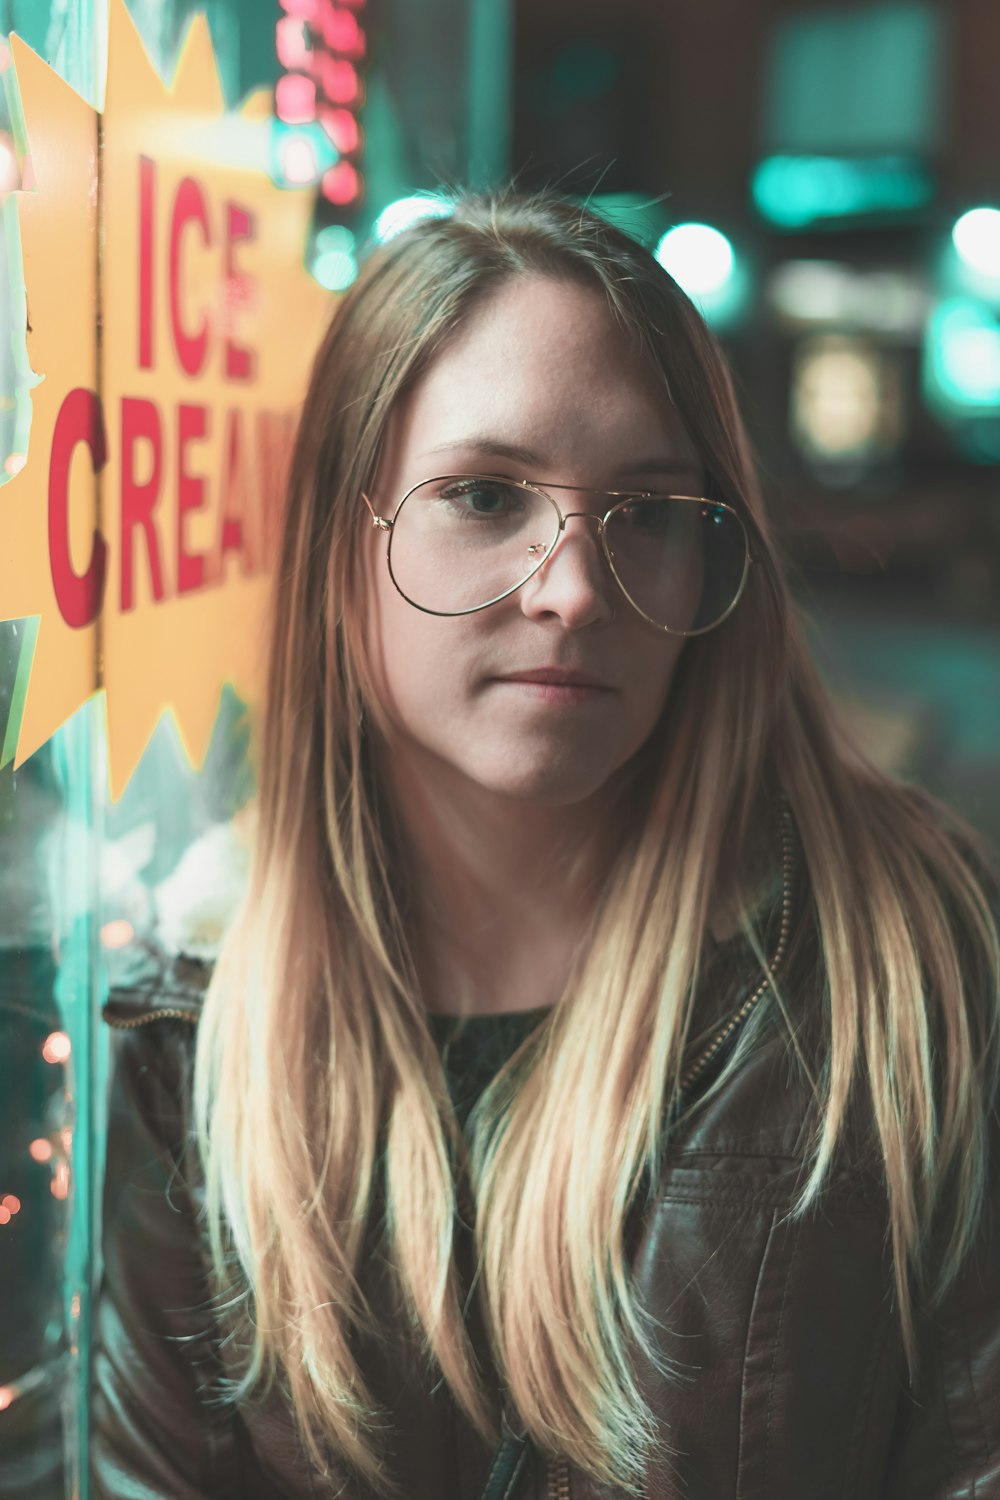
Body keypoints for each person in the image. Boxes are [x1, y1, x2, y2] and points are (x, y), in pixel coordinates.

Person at [92, 190, 1000, 1500]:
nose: (574, 586)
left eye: (647, 511)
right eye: (481, 494)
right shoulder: (198, 1015)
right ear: (340, 542)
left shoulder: (905, 960)